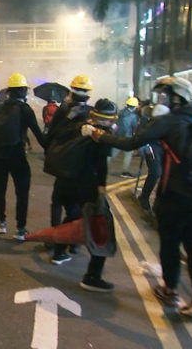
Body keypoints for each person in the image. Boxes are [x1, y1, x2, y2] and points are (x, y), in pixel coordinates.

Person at [89, 76, 192, 320]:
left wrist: (100, 136)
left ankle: (169, 291)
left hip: (178, 194)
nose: (160, 100)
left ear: (176, 97)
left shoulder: (170, 121)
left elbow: (131, 143)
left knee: (170, 243)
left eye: (164, 96)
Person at [49, 98, 117, 292]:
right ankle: (93, 276)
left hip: (65, 181)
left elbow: (55, 134)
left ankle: (60, 252)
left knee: (72, 217)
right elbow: (102, 164)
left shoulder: (78, 125)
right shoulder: (102, 135)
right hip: (86, 186)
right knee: (100, 228)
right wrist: (101, 188)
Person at [0, 72, 46, 239]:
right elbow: (38, 135)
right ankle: (20, 229)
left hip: (0, 155)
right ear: (24, 91)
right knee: (22, 192)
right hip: (17, 155)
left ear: (9, 91)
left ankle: (1, 223)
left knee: (0, 190)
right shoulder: (25, 109)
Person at [46, 74, 94, 250]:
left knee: (57, 202)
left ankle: (54, 237)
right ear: (89, 95)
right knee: (78, 206)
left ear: (71, 92)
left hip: (63, 164)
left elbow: (51, 135)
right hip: (82, 169)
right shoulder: (91, 113)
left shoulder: (64, 110)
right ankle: (73, 241)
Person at [113, 97, 140, 178]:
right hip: (127, 137)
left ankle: (102, 167)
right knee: (128, 154)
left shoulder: (120, 112)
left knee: (112, 154)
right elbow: (134, 127)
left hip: (116, 136)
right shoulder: (133, 116)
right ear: (135, 107)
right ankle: (125, 171)